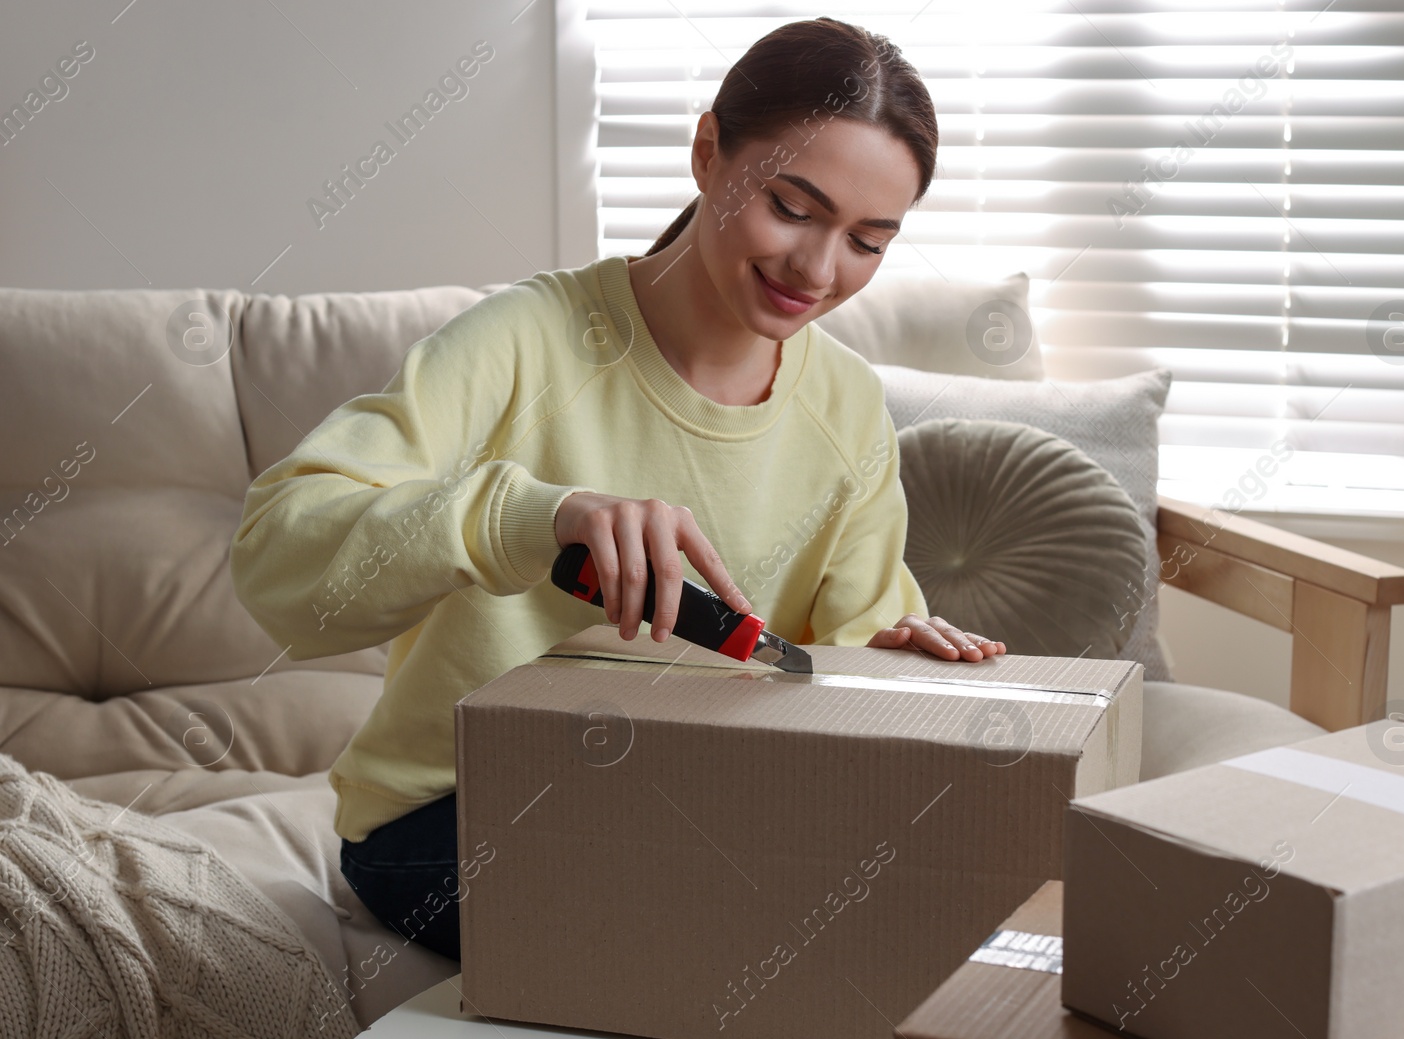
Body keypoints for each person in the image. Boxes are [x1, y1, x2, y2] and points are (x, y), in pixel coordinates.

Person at [229, 15, 1005, 964]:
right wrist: (525, 515)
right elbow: (280, 564)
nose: (817, 268)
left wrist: (890, 662)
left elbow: (827, 667)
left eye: (868, 241)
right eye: (794, 208)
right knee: (740, 920)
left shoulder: (847, 405)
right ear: (709, 151)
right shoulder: (524, 340)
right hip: (448, 817)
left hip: (700, 801)